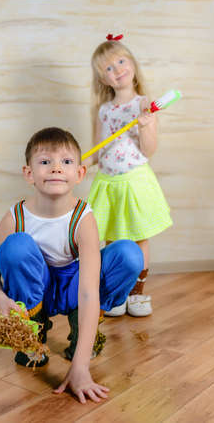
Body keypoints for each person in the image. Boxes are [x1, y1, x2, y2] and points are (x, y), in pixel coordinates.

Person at [0, 126, 143, 404]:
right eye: (45, 162)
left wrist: (80, 368)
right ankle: (33, 331)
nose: (56, 168)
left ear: (79, 173)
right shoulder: (15, 216)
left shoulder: (83, 217)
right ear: (29, 173)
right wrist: (1, 300)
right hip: (37, 287)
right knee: (16, 246)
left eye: (66, 162)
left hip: (75, 286)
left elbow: (89, 288)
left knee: (129, 254)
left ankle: (84, 332)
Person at [86, 34, 173, 318]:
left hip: (134, 181)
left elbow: (148, 150)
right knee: (112, 239)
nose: (118, 69)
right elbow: (99, 150)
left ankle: (137, 293)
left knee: (139, 238)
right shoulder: (104, 110)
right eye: (108, 68)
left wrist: (147, 125)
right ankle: (117, 292)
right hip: (108, 183)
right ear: (104, 80)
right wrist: (82, 164)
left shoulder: (143, 105)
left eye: (121, 61)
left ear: (132, 65)